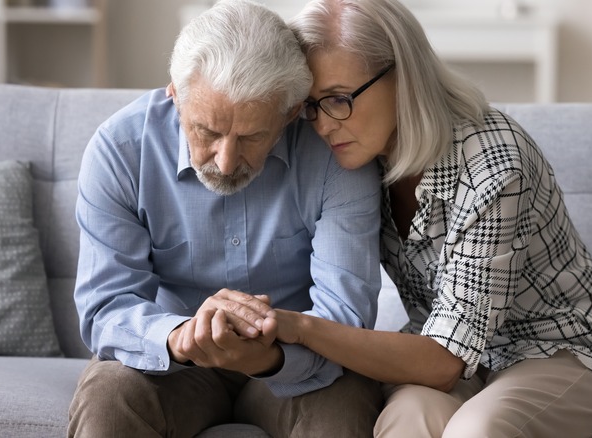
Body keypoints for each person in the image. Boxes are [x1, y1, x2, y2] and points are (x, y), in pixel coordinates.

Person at [221, 0, 592, 437]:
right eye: (311, 106)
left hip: (557, 350)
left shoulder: (494, 166)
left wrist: (300, 326)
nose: (324, 126)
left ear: (404, 76)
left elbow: (444, 363)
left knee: (477, 431)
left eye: (339, 99)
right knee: (405, 424)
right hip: (445, 349)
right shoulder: (357, 156)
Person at [67, 1, 384, 436]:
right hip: (173, 364)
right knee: (110, 394)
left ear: (290, 113)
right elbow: (105, 307)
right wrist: (180, 336)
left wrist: (268, 356)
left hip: (297, 362)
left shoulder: (334, 156)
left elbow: (346, 316)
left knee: (343, 406)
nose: (227, 160)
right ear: (175, 94)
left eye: (252, 136)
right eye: (207, 131)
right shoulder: (120, 151)